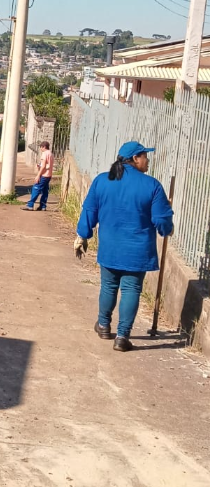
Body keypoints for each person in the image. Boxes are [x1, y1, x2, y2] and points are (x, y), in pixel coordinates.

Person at [74, 141, 174, 352]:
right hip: (137, 251)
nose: (148, 160)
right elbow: (162, 220)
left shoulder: (103, 180)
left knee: (108, 286)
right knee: (131, 289)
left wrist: (83, 235)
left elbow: (89, 210)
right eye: (145, 156)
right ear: (136, 158)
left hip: (110, 247)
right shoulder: (152, 185)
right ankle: (122, 337)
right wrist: (167, 229)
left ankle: (103, 325)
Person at [23, 141, 54, 211]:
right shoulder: (51, 154)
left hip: (44, 175)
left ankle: (30, 205)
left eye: (41, 147)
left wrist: (38, 175)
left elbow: (43, 166)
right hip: (49, 175)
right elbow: (48, 165)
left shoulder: (45, 154)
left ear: (44, 147)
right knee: (45, 191)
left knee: (36, 188)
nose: (40, 149)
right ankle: (43, 206)